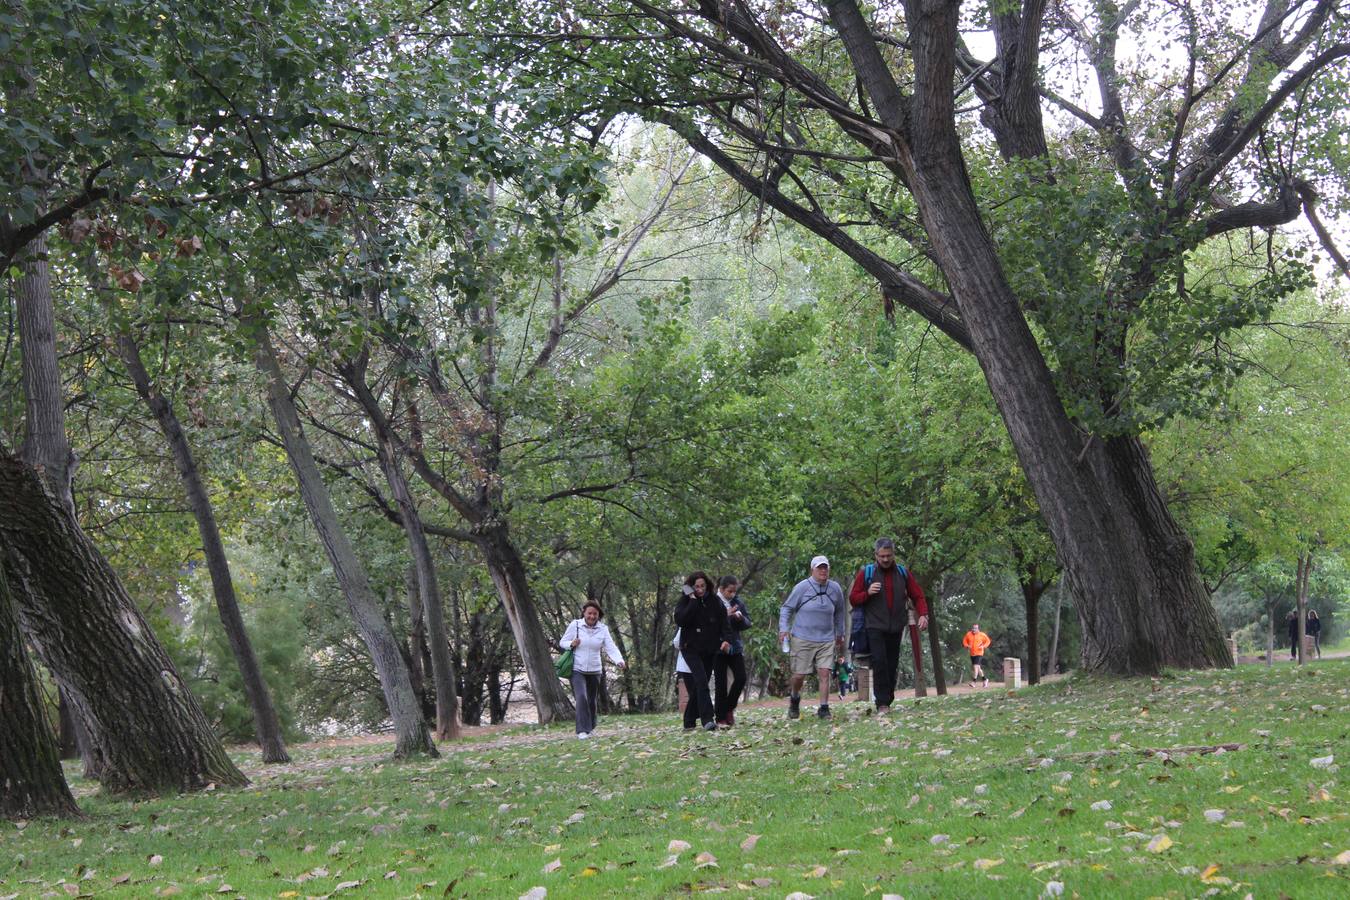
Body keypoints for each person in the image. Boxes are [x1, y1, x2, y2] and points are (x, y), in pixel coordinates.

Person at [847, 539, 928, 712]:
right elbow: (853, 598)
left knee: (892, 663)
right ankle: (882, 703)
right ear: (876, 555)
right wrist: (867, 593)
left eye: (888, 556)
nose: (885, 559)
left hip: (897, 627)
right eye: (882, 556)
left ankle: (888, 699)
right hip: (874, 625)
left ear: (893, 555)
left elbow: (918, 595)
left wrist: (923, 615)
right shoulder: (866, 573)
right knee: (879, 661)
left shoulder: (902, 573)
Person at [779, 555, 847, 720]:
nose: (823, 571)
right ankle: (795, 699)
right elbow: (787, 608)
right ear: (813, 570)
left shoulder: (835, 588)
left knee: (825, 672)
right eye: (819, 568)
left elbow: (839, 612)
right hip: (802, 637)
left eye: (826, 567)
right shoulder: (802, 587)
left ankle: (824, 708)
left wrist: (840, 633)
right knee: (799, 675)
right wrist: (783, 629)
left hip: (826, 638)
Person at [674, 571, 733, 732]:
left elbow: (724, 623)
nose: (700, 589)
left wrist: (726, 639)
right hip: (689, 648)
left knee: (702, 684)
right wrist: (692, 601)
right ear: (691, 587)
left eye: (702, 586)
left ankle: (688, 720)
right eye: (696, 587)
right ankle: (708, 719)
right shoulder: (685, 601)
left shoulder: (715, 601)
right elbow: (680, 620)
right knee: (700, 681)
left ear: (707, 586)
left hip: (709, 649)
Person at [559, 600, 625, 739]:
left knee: (591, 700)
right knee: (581, 697)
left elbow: (610, 646)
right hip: (577, 668)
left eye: (595, 614)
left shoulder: (603, 629)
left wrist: (619, 660)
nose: (592, 616)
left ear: (598, 615)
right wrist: (571, 643)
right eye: (589, 613)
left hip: (595, 670)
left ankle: (590, 728)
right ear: (584, 612)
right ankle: (582, 730)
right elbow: (562, 642)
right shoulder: (575, 625)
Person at [714, 575, 752, 728]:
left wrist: (740, 618)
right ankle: (720, 717)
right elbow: (708, 623)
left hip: (734, 646)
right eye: (729, 591)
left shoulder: (737, 602)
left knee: (741, 678)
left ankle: (729, 707)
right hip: (717, 647)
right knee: (720, 684)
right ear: (722, 589)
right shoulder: (713, 602)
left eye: (734, 591)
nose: (732, 594)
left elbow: (748, 623)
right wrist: (726, 615)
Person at [962, 623, 992, 687]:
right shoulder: (968, 634)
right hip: (972, 653)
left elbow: (988, 641)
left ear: (978, 629)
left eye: (975, 628)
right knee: (978, 668)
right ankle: (985, 679)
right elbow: (964, 641)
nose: (974, 629)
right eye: (973, 628)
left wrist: (983, 646)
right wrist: (967, 645)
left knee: (975, 667)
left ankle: (974, 682)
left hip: (979, 653)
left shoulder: (982, 635)